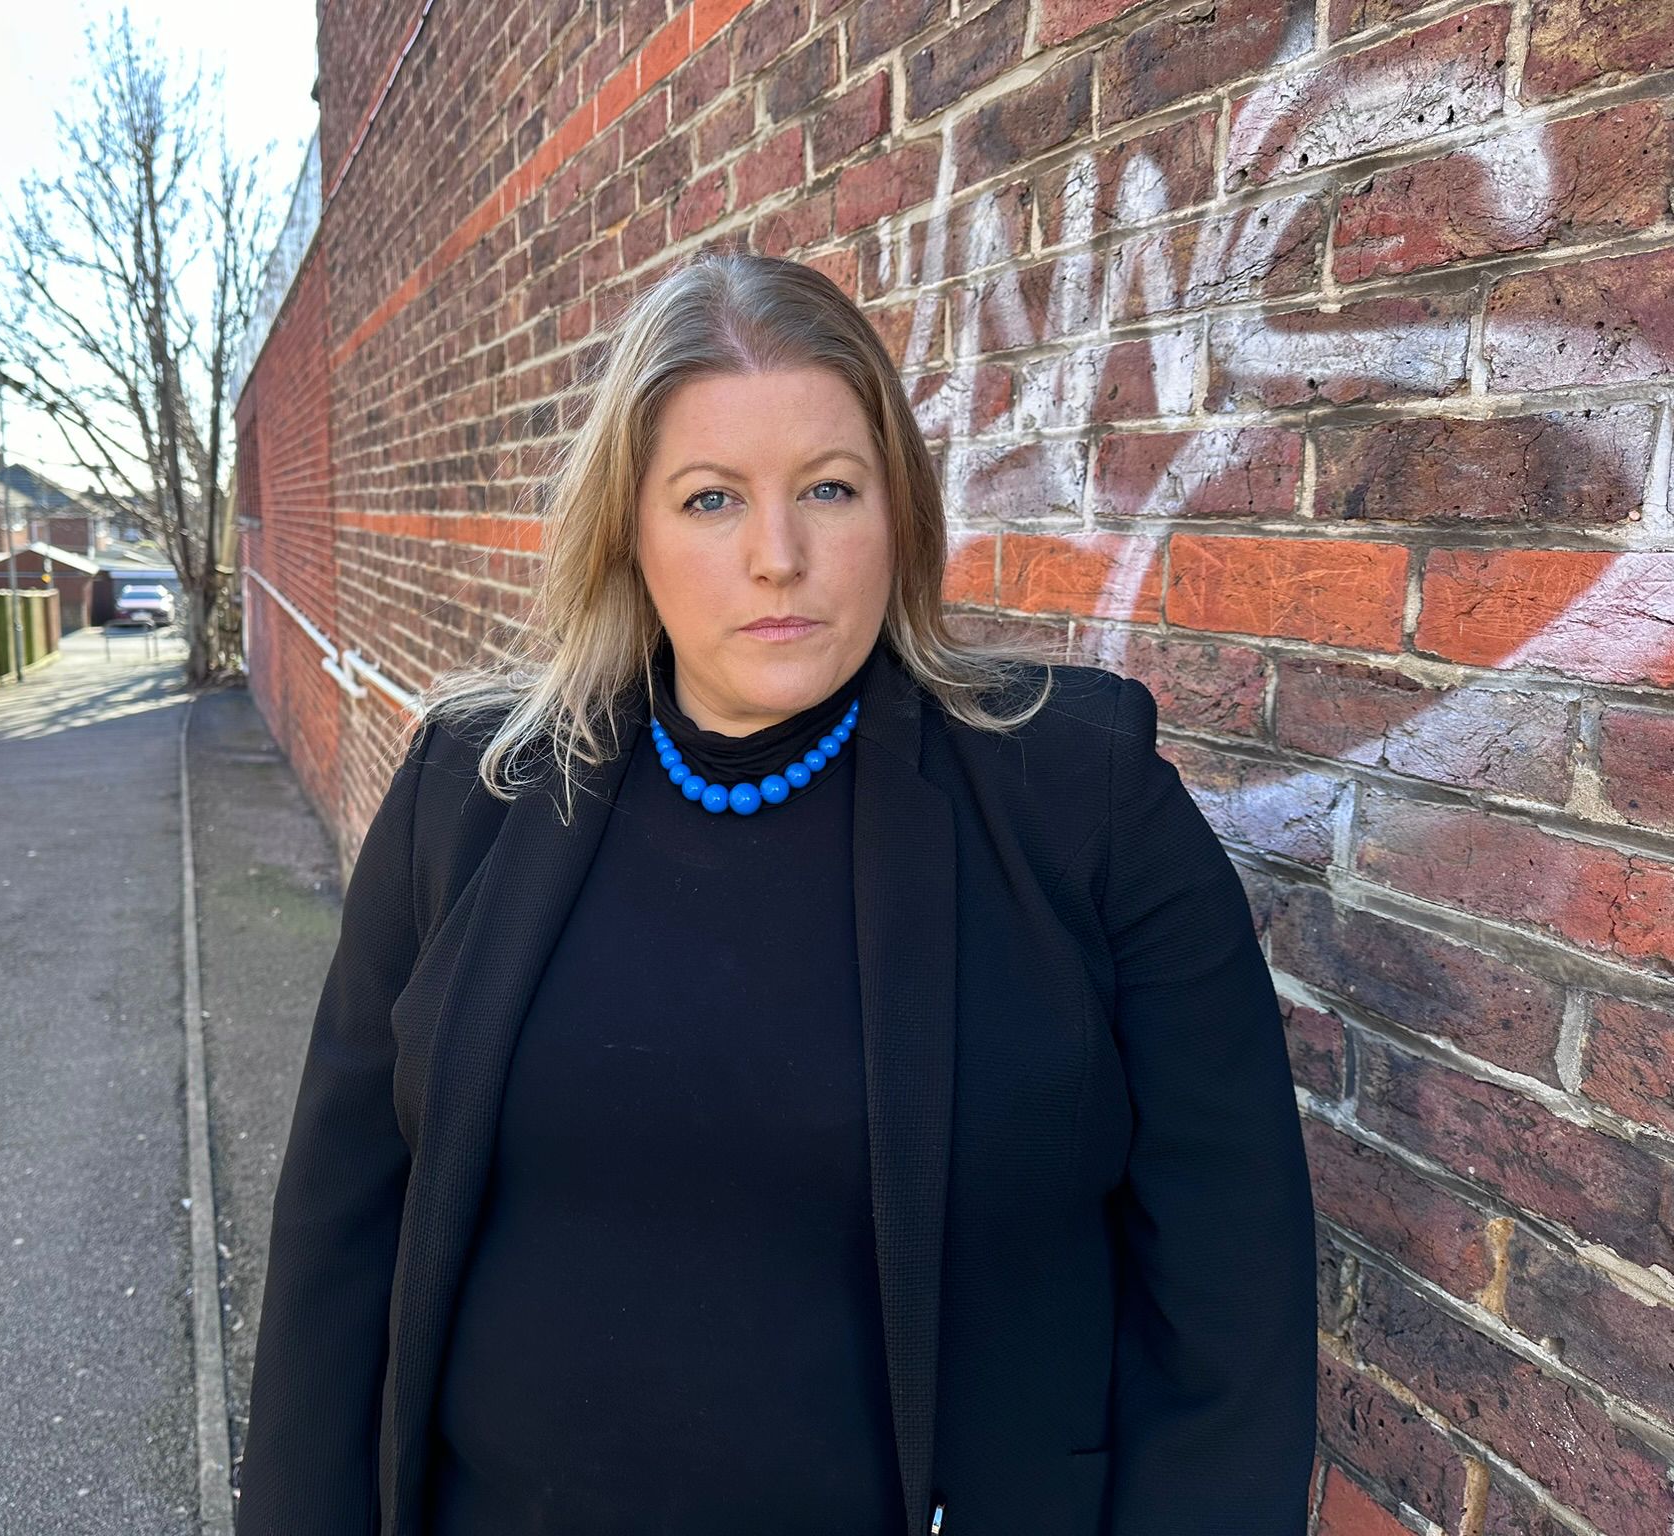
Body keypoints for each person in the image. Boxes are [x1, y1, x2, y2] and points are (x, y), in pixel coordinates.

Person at [233, 251, 1317, 1536]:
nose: (777, 556)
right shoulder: (469, 794)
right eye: (707, 500)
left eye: (829, 488)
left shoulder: (1083, 806)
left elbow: (1228, 1301)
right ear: (626, 532)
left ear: (896, 514)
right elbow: (336, 1242)